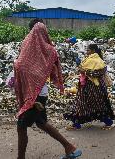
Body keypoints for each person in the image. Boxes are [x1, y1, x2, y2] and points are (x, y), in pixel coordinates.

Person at [14, 18, 82, 159]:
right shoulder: (49, 50)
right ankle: (69, 147)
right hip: (40, 93)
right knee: (41, 123)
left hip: (35, 95)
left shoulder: (29, 48)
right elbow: (50, 70)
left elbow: (21, 66)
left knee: (22, 125)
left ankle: (21, 158)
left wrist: (18, 68)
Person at [64, 44, 115, 130]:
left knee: (98, 105)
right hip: (86, 87)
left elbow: (97, 73)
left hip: (95, 88)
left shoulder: (97, 61)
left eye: (88, 50)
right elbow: (83, 69)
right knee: (81, 104)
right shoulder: (89, 59)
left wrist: (85, 71)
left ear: (93, 51)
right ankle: (76, 125)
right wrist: (82, 70)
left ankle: (109, 123)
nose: (86, 52)